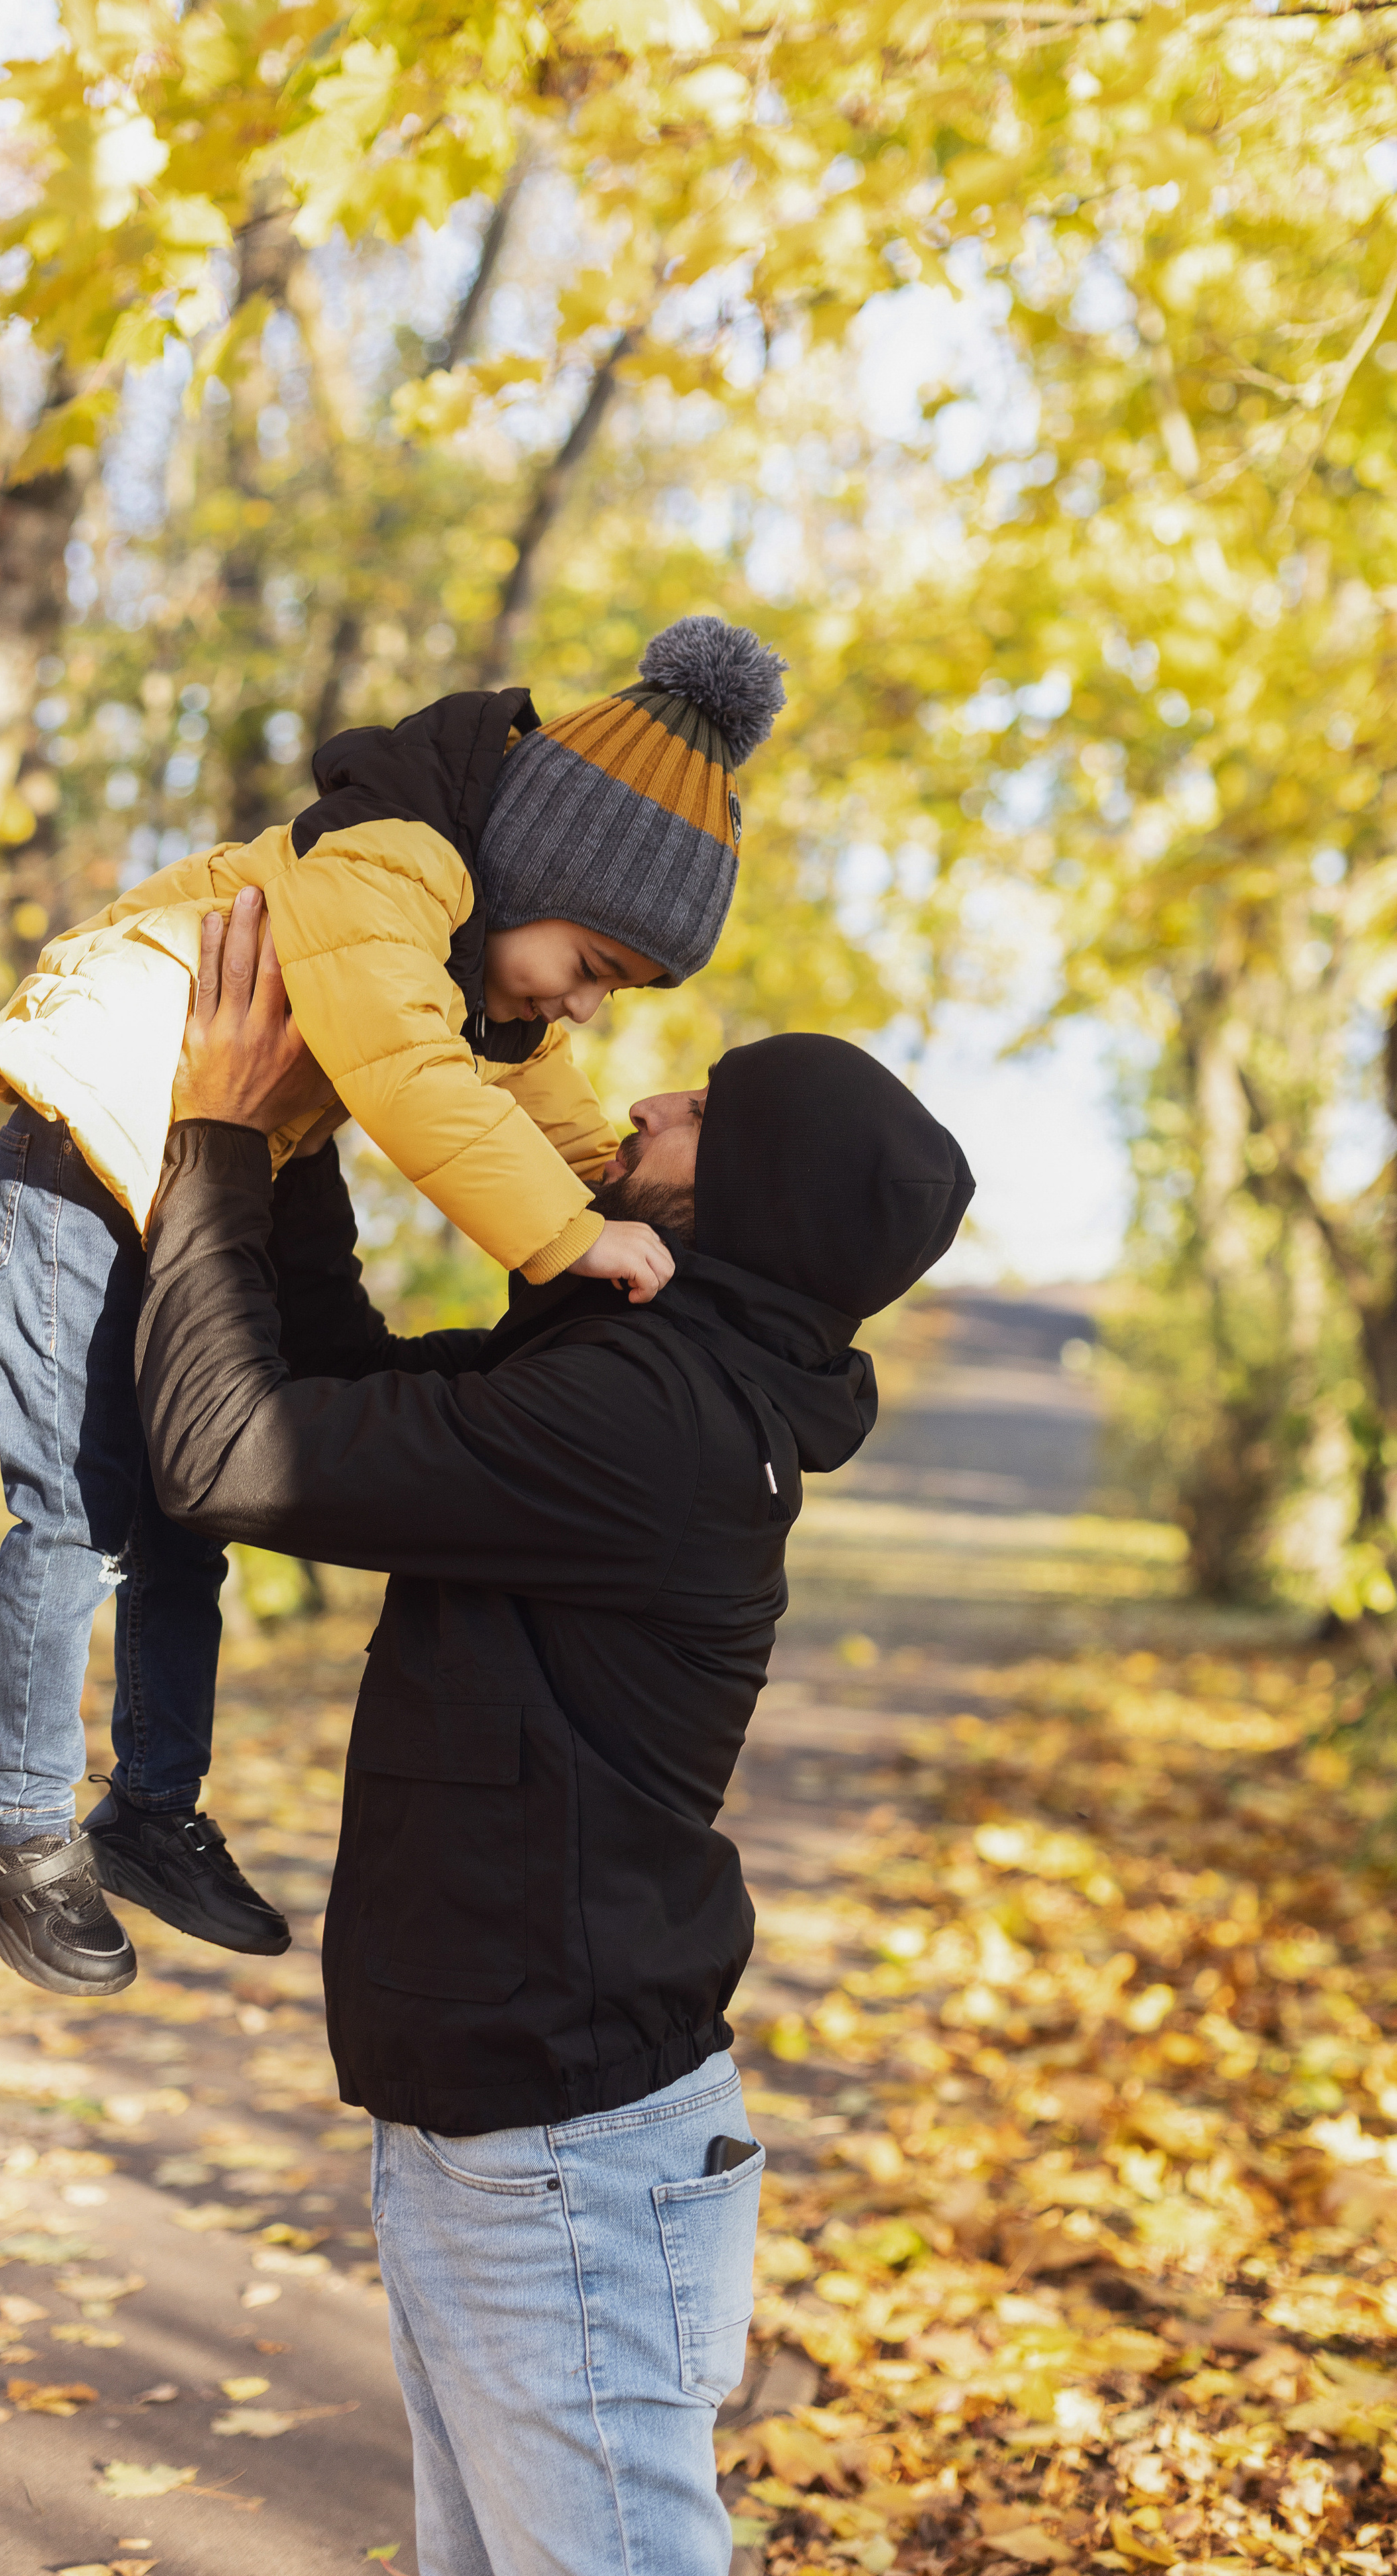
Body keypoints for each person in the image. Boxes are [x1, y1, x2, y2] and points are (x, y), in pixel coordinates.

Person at [131, 888, 974, 2576]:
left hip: (558, 2157)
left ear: (752, 1198)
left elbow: (226, 1452)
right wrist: (296, 1128)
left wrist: (214, 1135)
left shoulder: (649, 1424)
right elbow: (335, 1385)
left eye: (702, 1112)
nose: (646, 1101)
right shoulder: (637, 1367)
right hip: (509, 2127)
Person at [0, 616, 789, 2000]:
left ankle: (151, 1809)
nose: (583, 1007)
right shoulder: (390, 869)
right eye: (591, 965)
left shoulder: (475, 958)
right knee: (77, 1507)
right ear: (540, 871)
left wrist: (608, 1193)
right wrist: (571, 1237)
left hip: (174, 1165)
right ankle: (12, 1821)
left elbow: (538, 1098)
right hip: (83, 1140)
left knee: (182, 1517)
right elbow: (409, 1081)